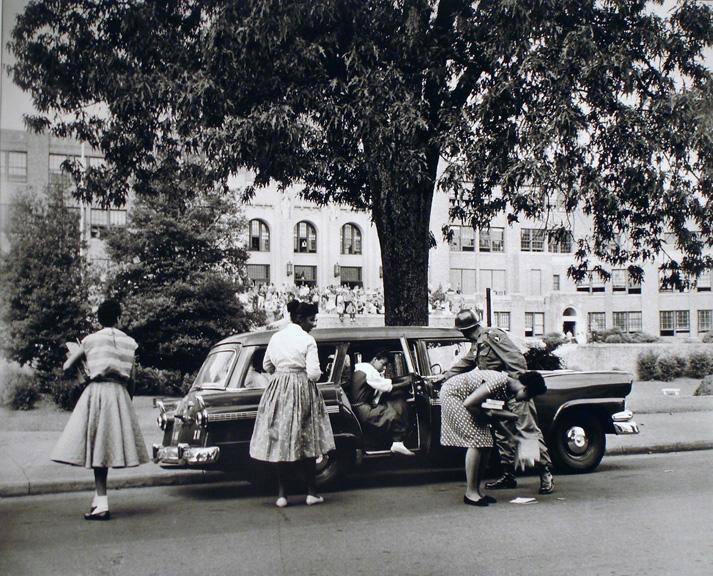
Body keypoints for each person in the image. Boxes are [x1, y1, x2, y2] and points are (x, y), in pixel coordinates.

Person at [437, 309, 555, 495]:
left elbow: (516, 361)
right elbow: (467, 362)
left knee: (527, 432)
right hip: (496, 393)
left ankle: (544, 471)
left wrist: (518, 387)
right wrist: (446, 375)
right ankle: (508, 474)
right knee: (501, 433)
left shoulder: (493, 335)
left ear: (467, 330)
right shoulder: (478, 344)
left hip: (515, 391)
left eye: (462, 331)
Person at [51, 299, 148, 520]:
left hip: (97, 393)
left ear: (99, 319)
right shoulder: (129, 342)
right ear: (118, 318)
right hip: (119, 394)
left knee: (97, 450)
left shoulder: (90, 340)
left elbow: (66, 367)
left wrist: (79, 362)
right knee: (106, 449)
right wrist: (126, 403)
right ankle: (98, 500)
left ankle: (102, 503)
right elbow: (132, 379)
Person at [249, 300, 335, 507]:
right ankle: (311, 493)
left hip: (278, 389)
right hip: (301, 388)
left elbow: (266, 365)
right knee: (307, 439)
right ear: (300, 319)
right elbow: (314, 374)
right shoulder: (307, 340)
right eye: (312, 320)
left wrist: (281, 373)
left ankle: (282, 495)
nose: (314, 324)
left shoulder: (276, 337)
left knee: (281, 439)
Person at [440, 369, 547, 506]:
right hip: (454, 395)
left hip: (466, 399)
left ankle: (477, 491)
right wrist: (494, 416)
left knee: (487, 443)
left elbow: (490, 414)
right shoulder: (499, 382)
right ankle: (470, 493)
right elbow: (470, 404)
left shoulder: (507, 391)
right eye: (529, 396)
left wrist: (511, 436)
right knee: (477, 441)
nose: (527, 400)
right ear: (525, 389)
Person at [346, 351, 415, 456]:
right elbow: (386, 386)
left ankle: (396, 442)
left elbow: (386, 382)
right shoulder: (368, 371)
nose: (384, 368)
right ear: (374, 359)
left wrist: (402, 379)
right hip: (364, 411)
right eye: (383, 364)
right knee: (395, 410)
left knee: (393, 404)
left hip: (361, 408)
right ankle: (397, 442)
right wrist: (406, 383)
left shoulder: (362, 368)